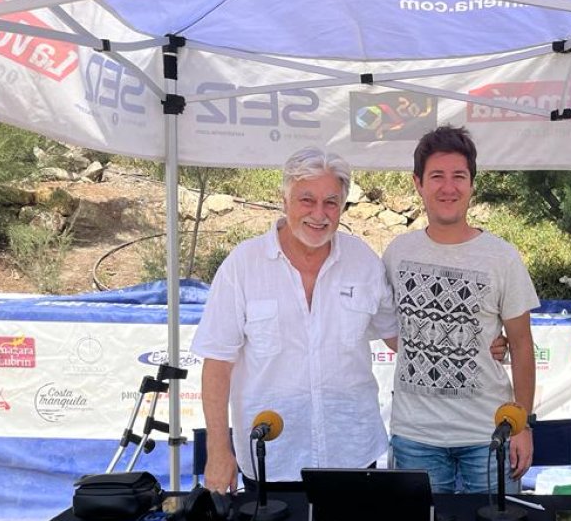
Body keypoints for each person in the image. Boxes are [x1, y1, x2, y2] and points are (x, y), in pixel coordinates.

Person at [190, 147, 398, 494]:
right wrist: (217, 448)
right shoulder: (243, 266)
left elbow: (399, 336)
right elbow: (217, 365)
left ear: (343, 206)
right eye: (307, 200)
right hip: (272, 459)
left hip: (352, 453)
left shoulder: (363, 261)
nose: (319, 214)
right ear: (284, 199)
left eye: (331, 202)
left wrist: (479, 345)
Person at [382, 125, 540, 494]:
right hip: (414, 436)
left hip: (488, 436)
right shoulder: (397, 253)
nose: (448, 187)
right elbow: (388, 328)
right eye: (437, 176)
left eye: (459, 176)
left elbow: (521, 345)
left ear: (472, 184)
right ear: (418, 183)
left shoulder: (502, 257)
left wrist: (523, 425)